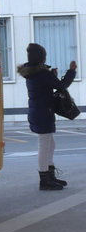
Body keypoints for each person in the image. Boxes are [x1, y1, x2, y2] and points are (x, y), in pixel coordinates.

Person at [17, 43, 76, 190]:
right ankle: (45, 180)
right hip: (43, 113)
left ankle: (50, 175)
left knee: (50, 144)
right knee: (44, 145)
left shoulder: (32, 72)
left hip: (40, 112)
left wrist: (52, 76)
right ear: (41, 57)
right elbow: (62, 85)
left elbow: (46, 87)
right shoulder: (42, 73)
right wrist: (71, 71)